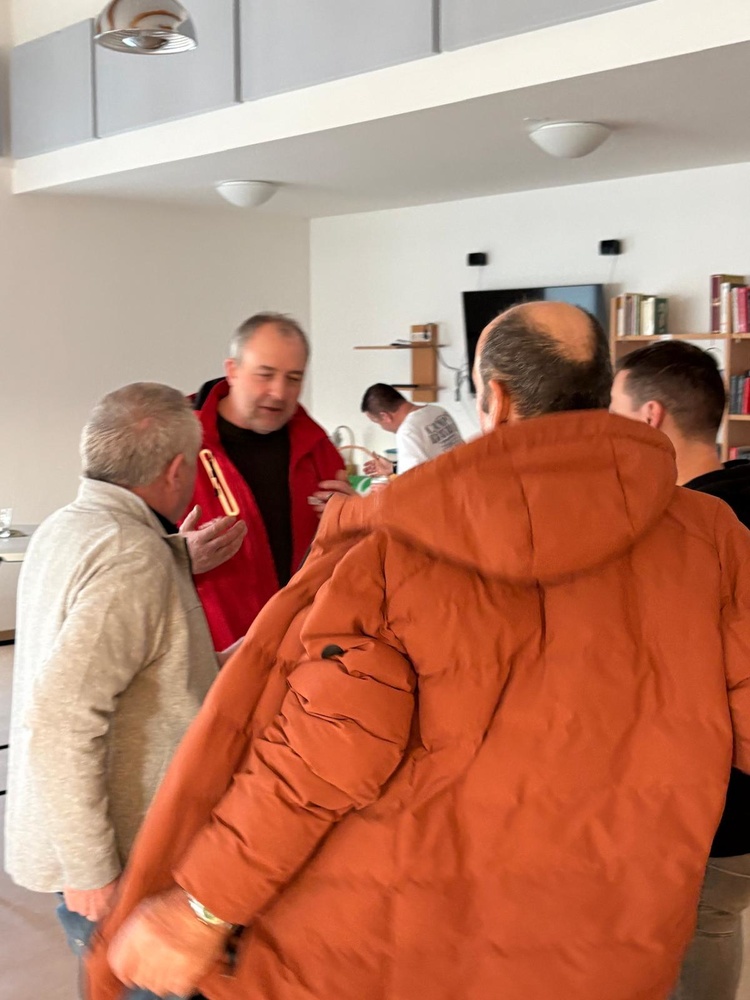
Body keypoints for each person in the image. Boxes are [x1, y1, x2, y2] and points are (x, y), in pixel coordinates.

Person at [87, 303, 750, 1000]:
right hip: (611, 945)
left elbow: (322, 752)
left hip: (420, 941)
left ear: (496, 400)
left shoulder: (396, 544)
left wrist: (203, 907)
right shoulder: (715, 539)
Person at [4, 383, 225, 999]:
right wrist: (91, 868)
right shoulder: (133, 556)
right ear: (176, 469)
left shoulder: (65, 527)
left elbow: (141, 663)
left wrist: (179, 558)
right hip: (118, 858)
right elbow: (59, 717)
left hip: (84, 835)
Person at [610, 339, 750, 1000]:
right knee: (719, 917)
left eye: (614, 412)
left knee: (700, 926)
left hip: (717, 795)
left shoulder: (687, 533)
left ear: (650, 418)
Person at [183, 313, 346, 649]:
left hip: (301, 654)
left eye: (293, 378)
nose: (279, 392)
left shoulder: (319, 450)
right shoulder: (175, 446)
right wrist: (177, 560)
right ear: (232, 371)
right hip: (210, 662)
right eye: (265, 375)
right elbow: (122, 562)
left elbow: (344, 560)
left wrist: (356, 520)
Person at [360, 383, 463, 476]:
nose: (382, 428)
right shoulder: (438, 411)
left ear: (385, 416)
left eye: (378, 422)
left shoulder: (407, 431)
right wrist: (393, 468)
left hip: (446, 489)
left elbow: (412, 482)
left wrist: (385, 488)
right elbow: (429, 465)